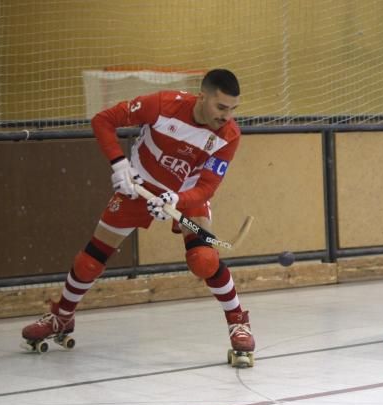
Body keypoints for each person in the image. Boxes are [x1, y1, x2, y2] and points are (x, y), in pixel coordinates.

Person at [20, 69, 256, 368]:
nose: (227, 116)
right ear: (202, 96)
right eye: (221, 107)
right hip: (138, 187)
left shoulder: (229, 135)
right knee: (91, 259)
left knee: (204, 260)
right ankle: (61, 316)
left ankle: (239, 323)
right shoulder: (161, 105)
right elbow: (103, 120)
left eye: (233, 109)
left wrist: (176, 200)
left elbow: (207, 187)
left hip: (184, 197)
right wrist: (119, 165)